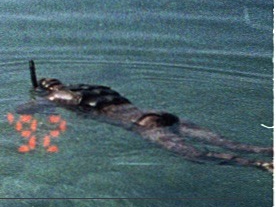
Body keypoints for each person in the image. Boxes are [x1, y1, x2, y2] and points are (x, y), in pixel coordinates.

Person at [29, 62, 273, 170]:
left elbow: (23, 111)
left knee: (197, 155)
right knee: (229, 143)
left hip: (143, 125)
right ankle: (267, 151)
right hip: (157, 113)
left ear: (48, 88)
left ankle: (260, 165)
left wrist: (36, 97)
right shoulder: (90, 87)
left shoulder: (55, 97)